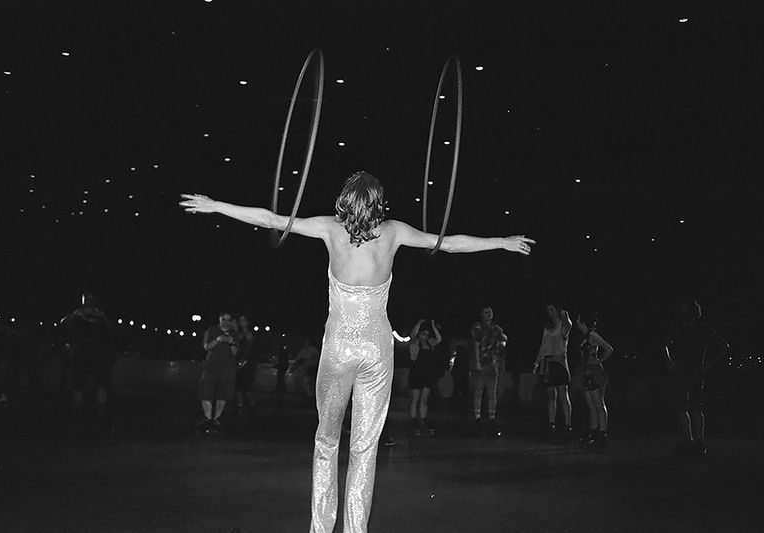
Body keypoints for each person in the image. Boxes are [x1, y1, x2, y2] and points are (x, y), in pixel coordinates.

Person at [180, 170, 535, 533]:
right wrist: (500, 241)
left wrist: (215, 205)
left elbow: (270, 219)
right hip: (377, 351)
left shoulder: (330, 229)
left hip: (339, 348)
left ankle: (321, 528)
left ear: (345, 200)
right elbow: (448, 243)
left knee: (327, 440)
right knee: (365, 447)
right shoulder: (394, 232)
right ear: (378, 203)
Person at [664, 298, 729, 456]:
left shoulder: (702, 329)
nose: (682, 312)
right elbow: (664, 344)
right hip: (680, 371)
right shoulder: (678, 328)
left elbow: (723, 347)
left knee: (695, 406)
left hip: (694, 372)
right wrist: (669, 361)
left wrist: (706, 365)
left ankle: (698, 441)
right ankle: (688, 439)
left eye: (685, 309)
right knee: (681, 406)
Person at [60, 293, 115, 432]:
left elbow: (63, 323)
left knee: (79, 387)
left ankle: (77, 419)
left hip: (83, 354)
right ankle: (99, 419)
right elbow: (112, 329)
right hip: (97, 355)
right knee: (99, 387)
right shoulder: (99, 315)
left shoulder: (79, 314)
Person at [573, 311, 614, 451]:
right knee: (591, 405)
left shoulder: (592, 335)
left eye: (578, 319)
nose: (576, 321)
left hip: (593, 371)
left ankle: (602, 435)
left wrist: (599, 360)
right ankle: (594, 433)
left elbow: (608, 348)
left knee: (598, 404)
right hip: (585, 371)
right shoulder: (584, 336)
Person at [533, 303, 573, 442]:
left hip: (560, 362)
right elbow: (543, 345)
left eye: (552, 309)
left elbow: (568, 326)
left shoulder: (563, 325)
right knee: (551, 396)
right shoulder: (547, 327)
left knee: (563, 395)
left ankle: (568, 426)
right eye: (548, 310)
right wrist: (537, 361)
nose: (550, 312)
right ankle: (552, 425)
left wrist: (565, 316)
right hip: (549, 363)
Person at [470, 306, 507, 436]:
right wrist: (478, 362)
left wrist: (499, 360)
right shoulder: (478, 327)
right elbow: (476, 344)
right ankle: (478, 417)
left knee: (492, 392)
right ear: (481, 314)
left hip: (492, 364)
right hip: (481, 363)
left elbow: (503, 344)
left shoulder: (497, 329)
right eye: (486, 312)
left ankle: (492, 417)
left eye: (490, 312)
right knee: (479, 390)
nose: (489, 314)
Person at [198, 313, 239, 432]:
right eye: (223, 320)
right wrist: (217, 340)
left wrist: (231, 342)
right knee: (205, 391)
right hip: (211, 367)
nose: (225, 322)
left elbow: (235, 352)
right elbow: (207, 347)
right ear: (219, 321)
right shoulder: (212, 330)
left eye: (228, 320)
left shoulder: (234, 333)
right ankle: (208, 417)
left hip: (227, 368)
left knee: (224, 393)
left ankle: (216, 418)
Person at [408, 319, 442, 436]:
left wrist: (433, 326)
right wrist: (418, 324)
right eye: (423, 334)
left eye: (427, 334)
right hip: (417, 373)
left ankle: (423, 420)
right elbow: (412, 335)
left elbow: (439, 339)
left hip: (428, 374)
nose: (426, 336)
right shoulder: (415, 343)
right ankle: (413, 421)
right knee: (415, 398)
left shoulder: (430, 343)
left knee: (425, 398)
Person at [289, 336, 320, 407]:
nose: (306, 343)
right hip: (305, 368)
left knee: (309, 382)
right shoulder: (303, 350)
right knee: (306, 382)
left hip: (311, 368)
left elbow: (316, 358)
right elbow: (299, 358)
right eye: (305, 341)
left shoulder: (313, 349)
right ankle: (308, 397)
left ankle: (310, 397)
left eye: (307, 341)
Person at [235, 315, 257, 413]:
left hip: (247, 363)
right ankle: (240, 406)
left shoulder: (249, 334)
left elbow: (248, 349)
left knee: (246, 387)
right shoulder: (239, 334)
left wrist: (243, 360)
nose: (242, 323)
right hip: (238, 361)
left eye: (244, 320)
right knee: (238, 387)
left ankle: (252, 406)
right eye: (241, 321)